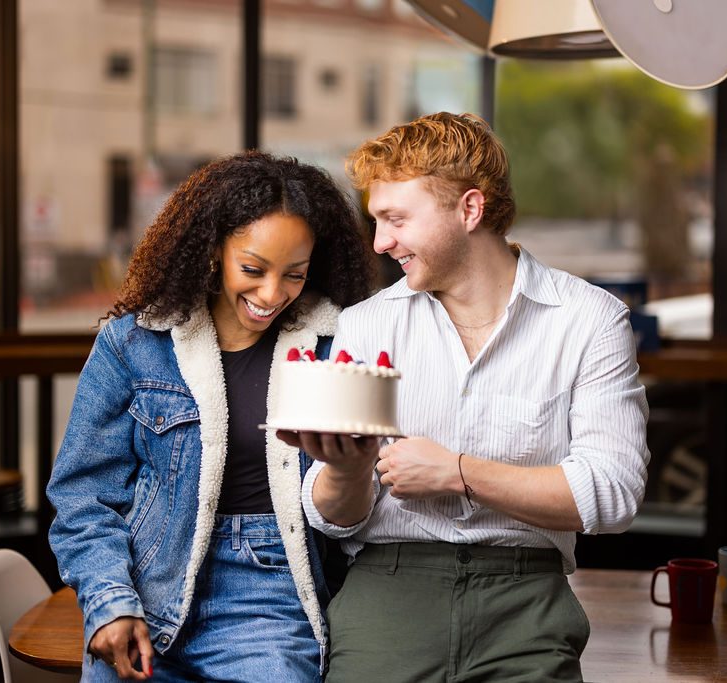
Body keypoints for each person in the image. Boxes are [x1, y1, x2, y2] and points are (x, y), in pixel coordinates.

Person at [280, 112, 650, 682]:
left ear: (470, 209)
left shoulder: (591, 321)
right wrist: (346, 470)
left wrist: (457, 472)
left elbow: (614, 493)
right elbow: (335, 520)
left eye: (396, 219)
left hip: (529, 600)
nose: (381, 242)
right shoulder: (366, 326)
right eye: (377, 221)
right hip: (389, 589)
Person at [47, 151, 372, 682]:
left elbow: (350, 511)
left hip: (268, 599)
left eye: (294, 274)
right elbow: (84, 495)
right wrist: (110, 601)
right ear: (212, 247)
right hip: (144, 589)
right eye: (252, 268)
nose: (272, 295)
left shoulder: (339, 347)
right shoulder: (134, 343)